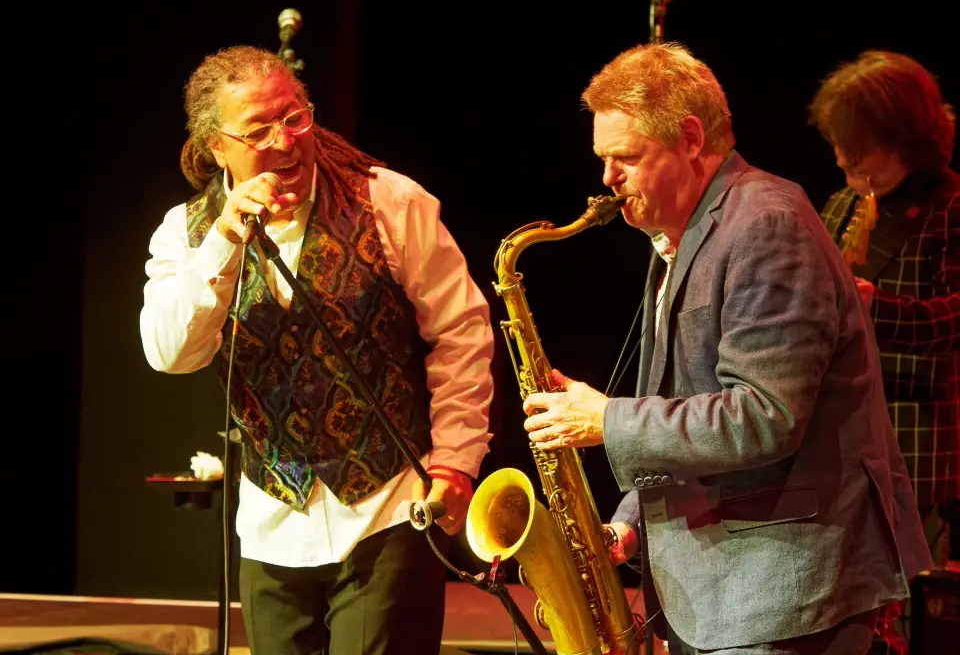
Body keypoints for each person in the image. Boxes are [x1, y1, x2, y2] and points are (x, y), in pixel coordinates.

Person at [519, 42, 934, 655]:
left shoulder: (767, 225)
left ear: (691, 138)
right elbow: (688, 401)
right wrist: (629, 526)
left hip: (781, 593)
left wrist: (606, 420)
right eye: (603, 159)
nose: (608, 179)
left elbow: (766, 415)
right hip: (726, 589)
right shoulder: (680, 236)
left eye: (626, 157)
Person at [139, 45, 496, 654]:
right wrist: (224, 241)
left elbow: (460, 330)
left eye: (294, 117)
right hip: (271, 524)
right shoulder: (186, 234)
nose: (285, 141)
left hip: (388, 508)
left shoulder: (388, 201)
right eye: (259, 130)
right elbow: (171, 353)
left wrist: (456, 460)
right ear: (216, 146)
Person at [810, 49, 960, 653]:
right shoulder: (842, 203)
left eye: (857, 145)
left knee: (906, 613)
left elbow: (954, 318)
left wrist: (877, 308)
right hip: (838, 440)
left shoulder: (951, 208)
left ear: (903, 138)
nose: (841, 157)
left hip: (914, 444)